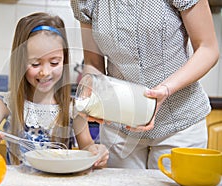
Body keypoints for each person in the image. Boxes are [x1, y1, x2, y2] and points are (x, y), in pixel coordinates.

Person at [71, 0, 219, 169]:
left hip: (179, 122)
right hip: (121, 127)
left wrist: (165, 89)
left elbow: (208, 49)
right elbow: (93, 63)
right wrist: (95, 97)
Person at [0, 12, 108, 167]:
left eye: (54, 62)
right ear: (20, 63)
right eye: (35, 64)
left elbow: (88, 148)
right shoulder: (6, 104)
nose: (45, 72)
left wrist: (97, 152)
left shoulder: (73, 108)